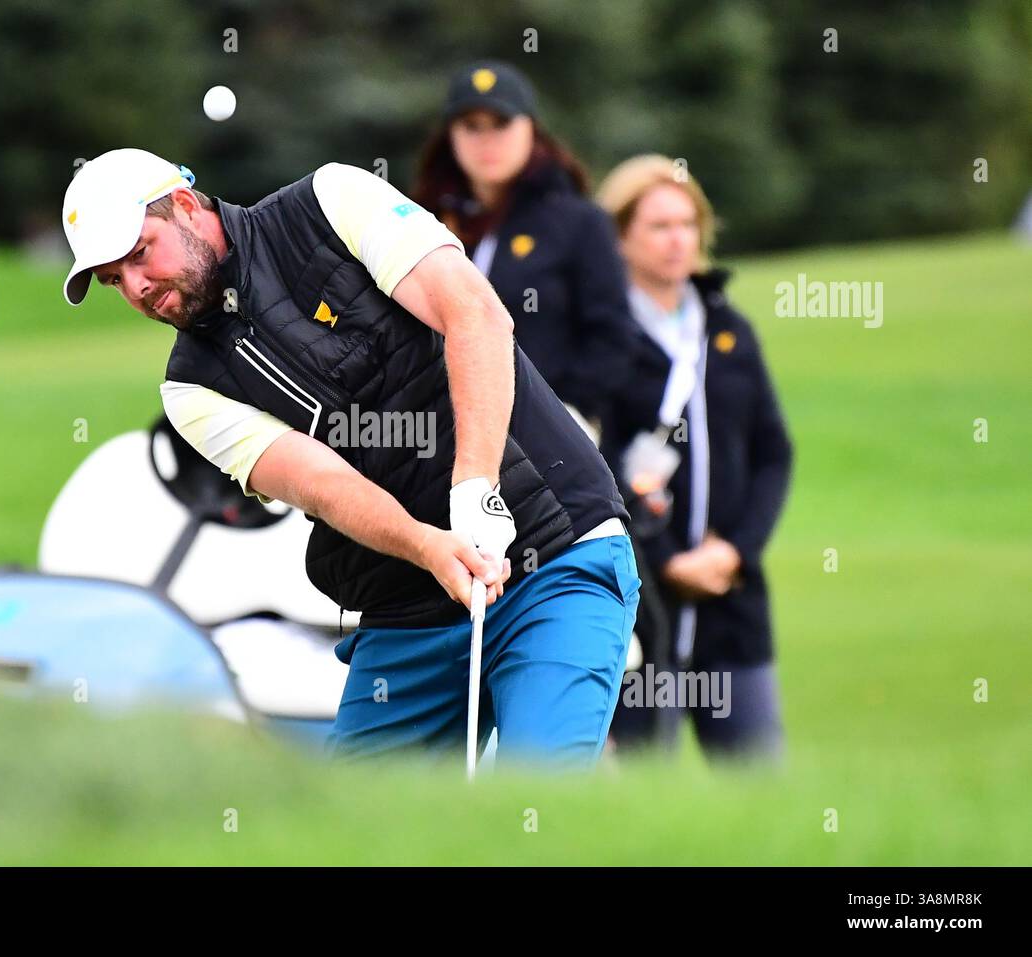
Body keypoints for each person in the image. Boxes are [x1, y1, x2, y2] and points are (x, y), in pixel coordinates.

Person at [60, 148, 640, 770]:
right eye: (114, 280)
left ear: (183, 206)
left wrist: (476, 485)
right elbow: (321, 483)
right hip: (406, 613)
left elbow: (473, 313)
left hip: (556, 550)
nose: (138, 287)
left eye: (140, 253)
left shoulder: (329, 203)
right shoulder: (190, 391)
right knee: (358, 837)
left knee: (540, 796)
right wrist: (426, 545)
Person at [593, 155, 793, 759]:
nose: (678, 239)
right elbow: (589, 466)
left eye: (688, 223)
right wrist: (666, 559)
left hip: (731, 601)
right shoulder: (602, 339)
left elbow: (773, 453)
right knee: (638, 796)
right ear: (620, 235)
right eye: (658, 225)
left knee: (760, 786)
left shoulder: (728, 330)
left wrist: (734, 550)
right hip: (637, 602)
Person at [411, 60, 636, 422]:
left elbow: (613, 335)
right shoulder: (424, 222)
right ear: (450, 136)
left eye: (501, 124)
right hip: (440, 430)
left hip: (544, 430)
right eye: (471, 126)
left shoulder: (578, 222)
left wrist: (572, 413)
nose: (487, 140)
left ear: (530, 129)